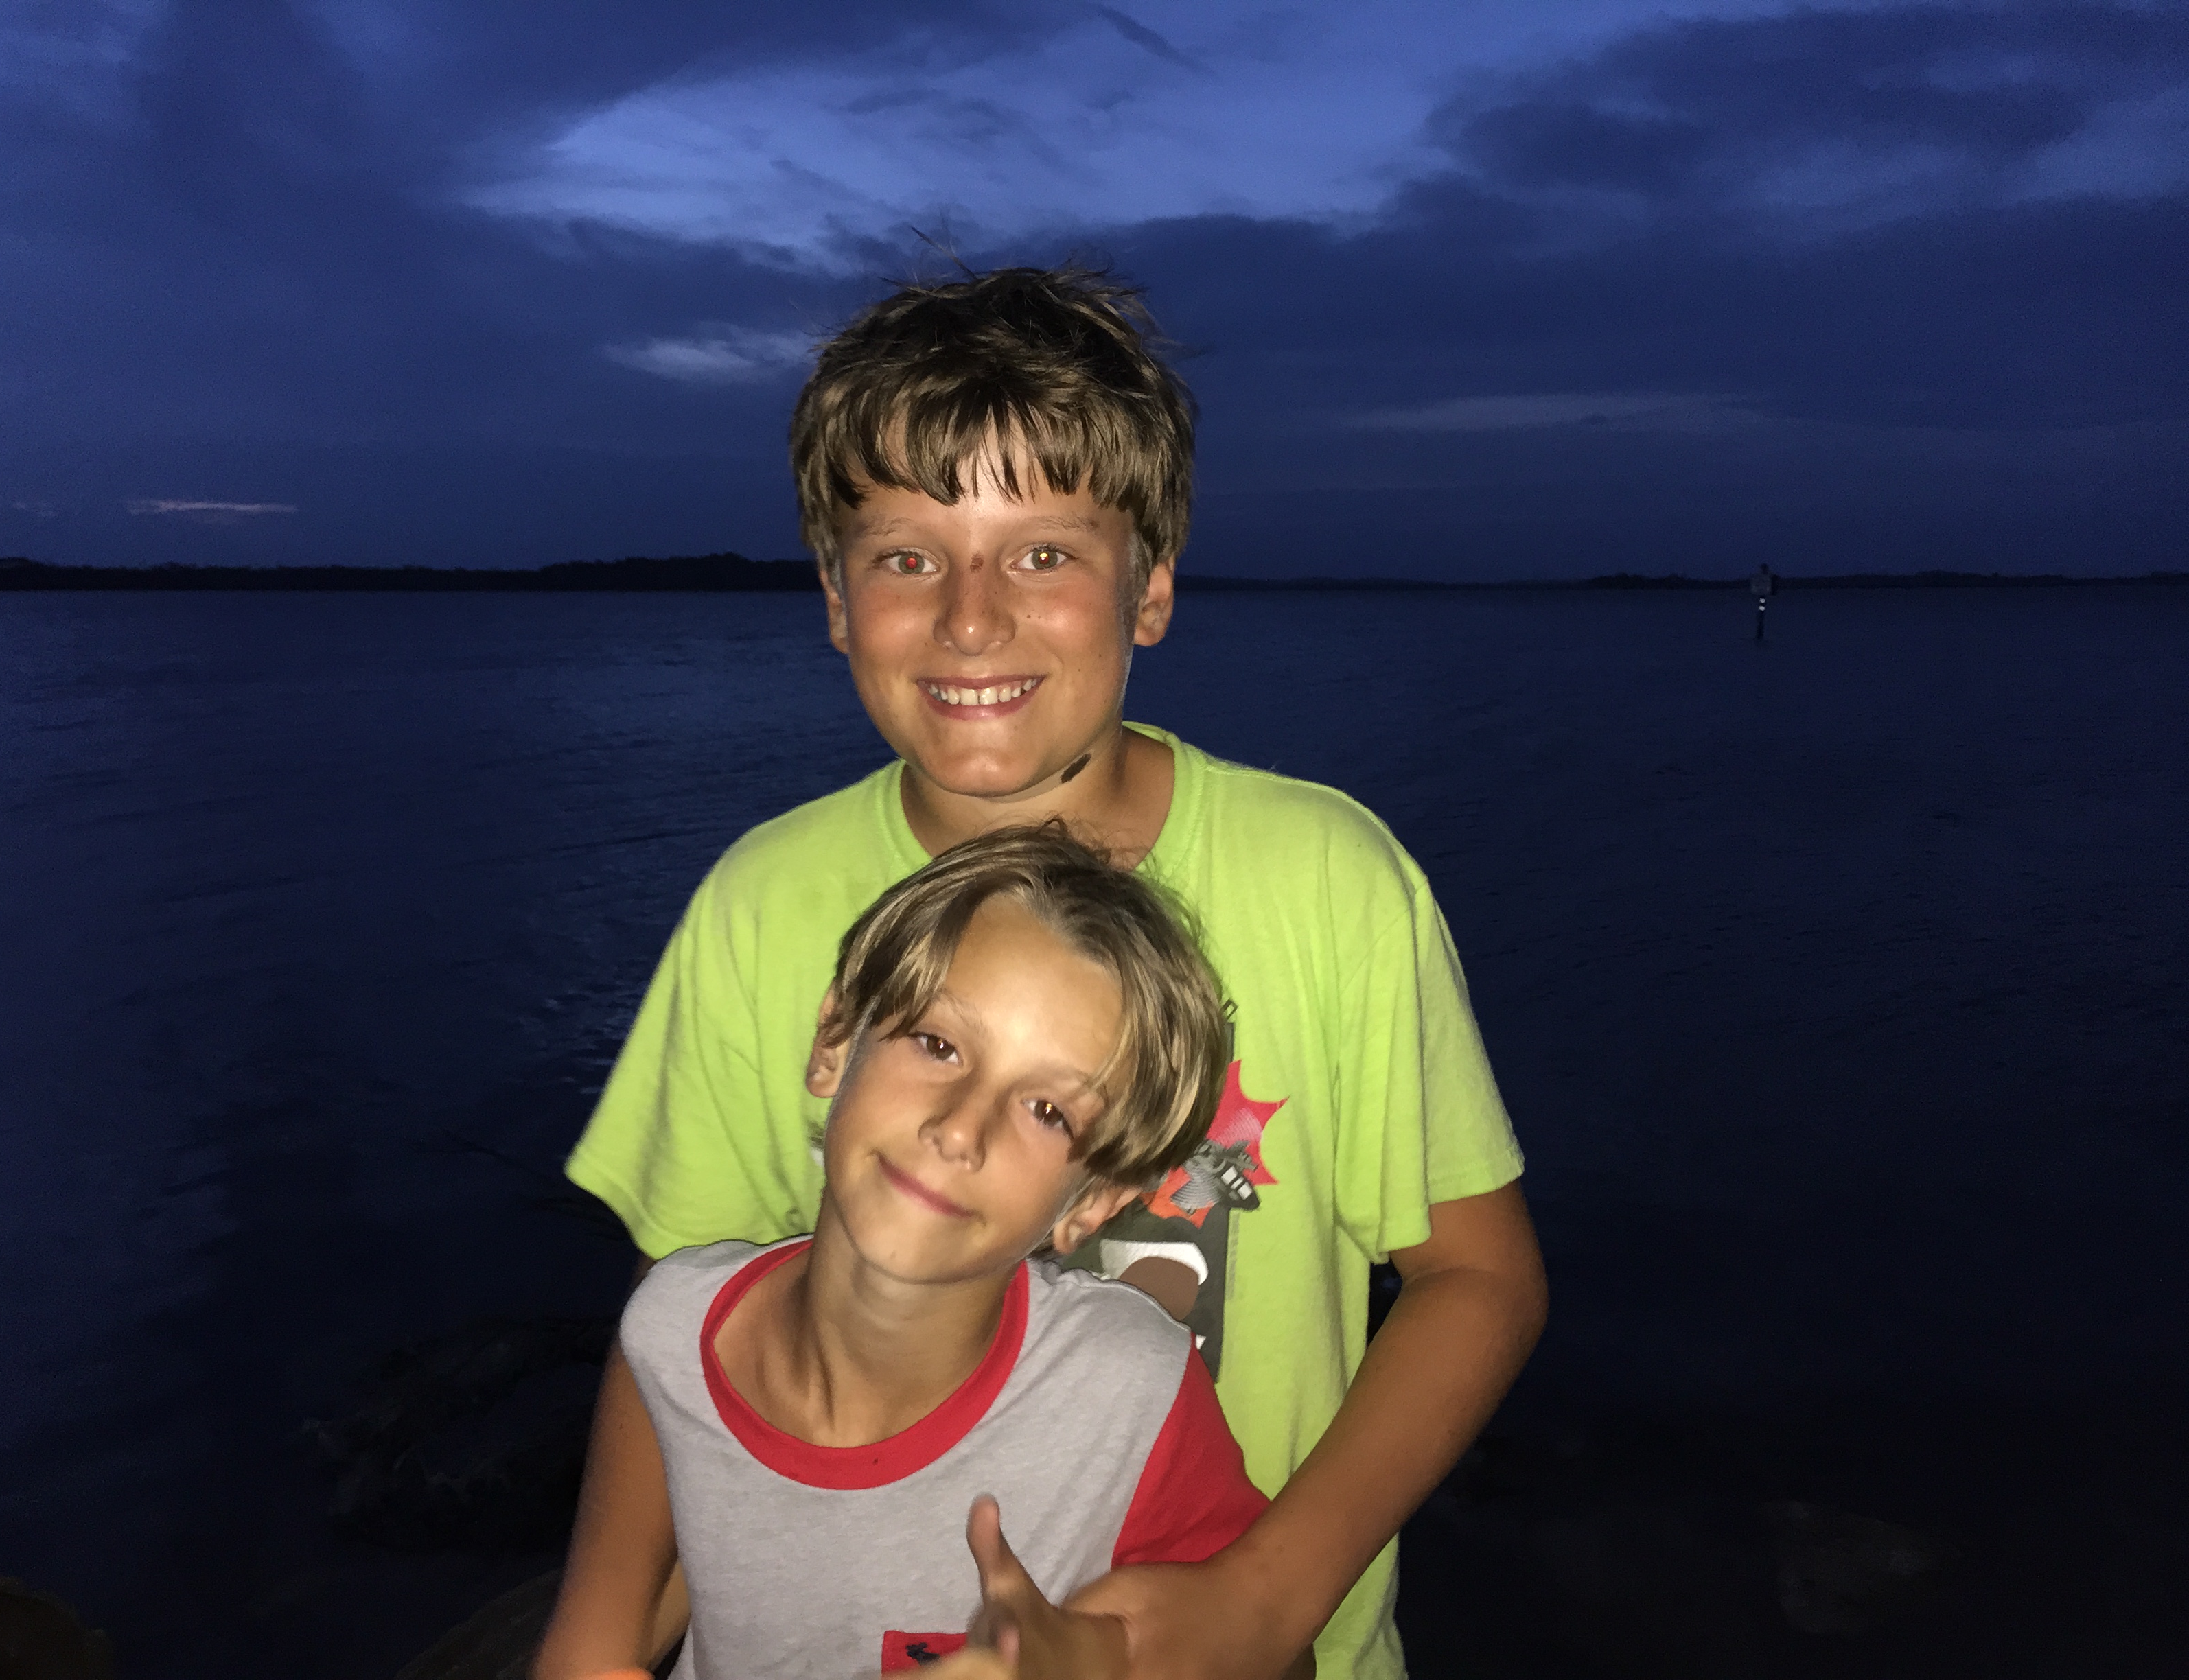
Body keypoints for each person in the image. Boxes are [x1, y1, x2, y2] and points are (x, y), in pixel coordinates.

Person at [563, 265, 1549, 1680]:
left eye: (1041, 554)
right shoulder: (761, 905)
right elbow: (696, 1325)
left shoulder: (1329, 879)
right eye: (906, 557)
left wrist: (1262, 1600)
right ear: (835, 597)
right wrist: (599, 1636)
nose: (970, 620)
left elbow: (1477, 1276)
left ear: (1150, 586)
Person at [532, 826, 1303, 1680]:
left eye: (1049, 1111)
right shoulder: (672, 1333)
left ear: (1093, 1203)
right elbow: (586, 1652)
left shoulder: (1130, 1391)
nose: (961, 1127)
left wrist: (1102, 1660)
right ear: (835, 1041)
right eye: (938, 1045)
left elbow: (1276, 1659)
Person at [1752, 563, 1777, 640]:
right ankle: (1759, 633)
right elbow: (1755, 586)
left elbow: (1773, 585)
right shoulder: (1759, 576)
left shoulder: (1770, 576)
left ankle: (1760, 632)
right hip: (1761, 596)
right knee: (1761, 613)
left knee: (1762, 613)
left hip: (1765, 596)